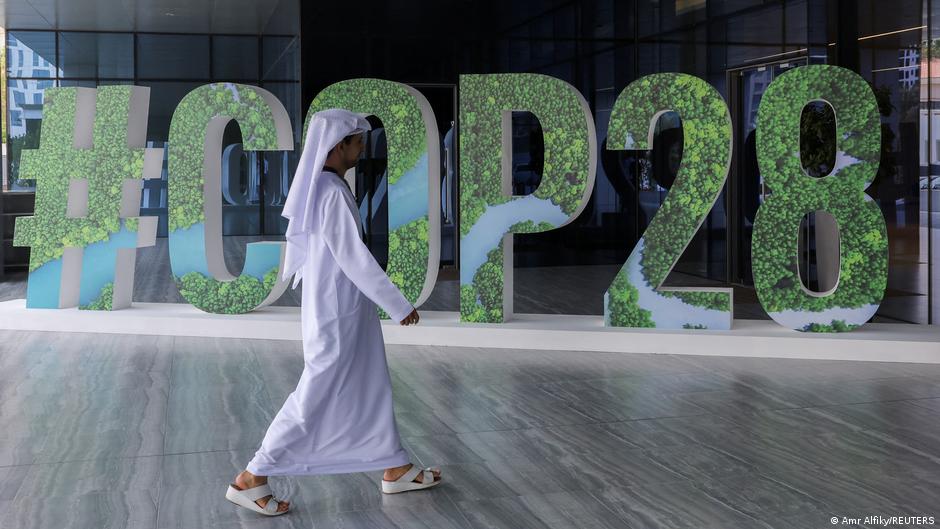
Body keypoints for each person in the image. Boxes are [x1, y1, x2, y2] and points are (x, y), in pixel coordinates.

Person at [224, 108, 441, 516]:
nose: (362, 149)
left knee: (371, 383)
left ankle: (395, 466)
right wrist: (397, 304)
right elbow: (354, 257)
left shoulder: (323, 187)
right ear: (338, 145)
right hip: (337, 312)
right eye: (358, 142)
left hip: (343, 308)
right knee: (316, 392)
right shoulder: (330, 191)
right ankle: (251, 476)